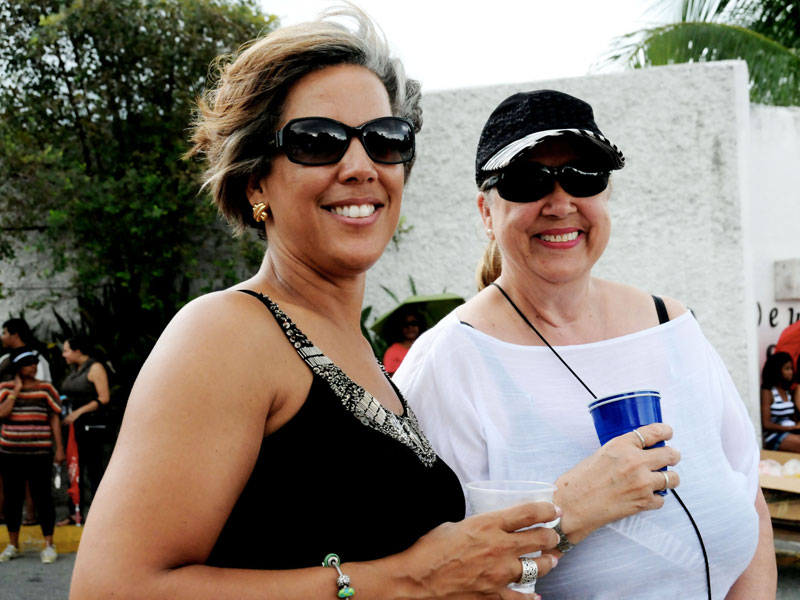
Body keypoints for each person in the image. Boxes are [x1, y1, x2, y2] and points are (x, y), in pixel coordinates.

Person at [70, 8, 560, 599]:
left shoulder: (355, 351)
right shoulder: (228, 333)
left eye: (384, 139)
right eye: (317, 141)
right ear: (256, 181)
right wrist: (412, 580)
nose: (359, 167)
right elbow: (111, 589)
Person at [394, 89, 776, 598]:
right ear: (486, 212)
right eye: (528, 180)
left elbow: (750, 499)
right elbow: (438, 580)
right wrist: (570, 510)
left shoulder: (672, 325)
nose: (560, 203)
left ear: (606, 194)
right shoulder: (448, 364)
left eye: (584, 176)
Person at [0, 351, 64, 564]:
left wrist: (59, 448)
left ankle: (49, 544)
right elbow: (2, 413)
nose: (34, 367)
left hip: (40, 453)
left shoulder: (46, 389)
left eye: (35, 363)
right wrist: (16, 392)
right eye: (29, 364)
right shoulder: (5, 388)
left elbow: (54, 417)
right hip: (10, 453)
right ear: (18, 368)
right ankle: (13, 544)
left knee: (43, 498)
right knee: (12, 499)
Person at [58, 335, 111, 524]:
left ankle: (100, 514)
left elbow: (104, 398)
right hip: (74, 428)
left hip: (91, 426)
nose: (64, 355)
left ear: (77, 351)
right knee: (74, 468)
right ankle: (75, 511)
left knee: (94, 469)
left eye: (66, 351)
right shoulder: (75, 370)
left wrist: (78, 412)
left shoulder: (95, 368)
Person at [761, 351, 800, 451]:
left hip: (791, 431)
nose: (791, 372)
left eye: (791, 369)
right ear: (777, 370)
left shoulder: (787, 392)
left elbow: (793, 419)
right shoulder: (768, 392)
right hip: (775, 435)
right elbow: (766, 424)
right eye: (787, 369)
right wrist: (791, 428)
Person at [0, 318, 51, 383]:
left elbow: (43, 385)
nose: (2, 337)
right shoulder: (5, 359)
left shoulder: (38, 360)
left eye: (4, 333)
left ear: (15, 335)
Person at [382, 308, 424, 375]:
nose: (410, 327)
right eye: (405, 324)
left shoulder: (426, 343)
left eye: (413, 323)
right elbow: (393, 377)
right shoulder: (392, 351)